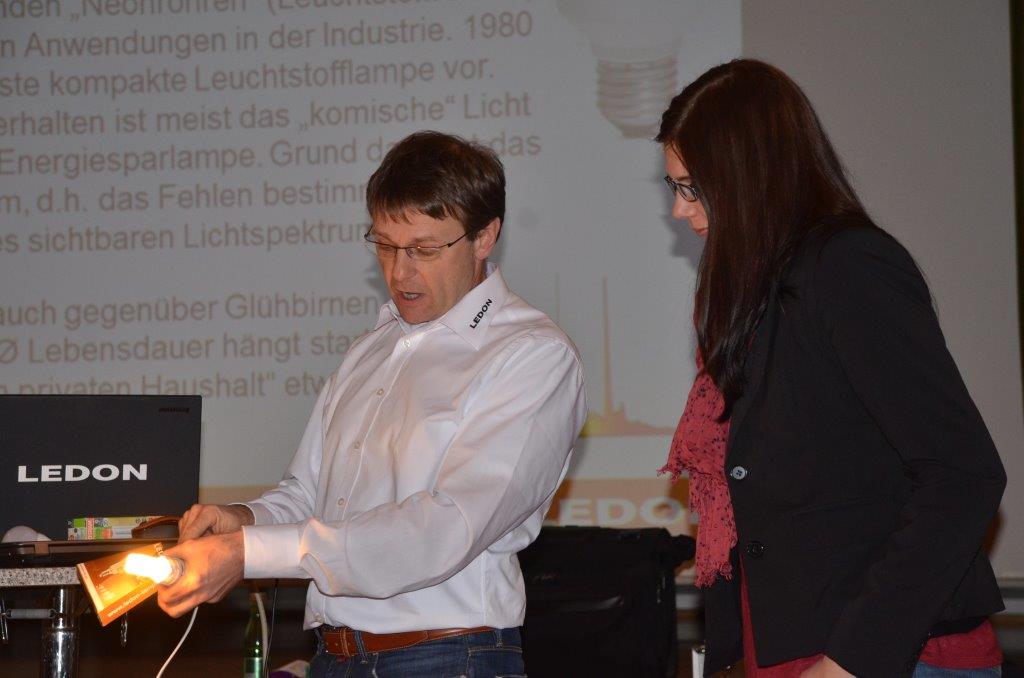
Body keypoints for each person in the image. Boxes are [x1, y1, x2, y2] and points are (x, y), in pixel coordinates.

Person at [156, 131, 587, 677]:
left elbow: (444, 530)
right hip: (333, 657)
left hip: (447, 657)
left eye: (423, 250)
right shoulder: (371, 349)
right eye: (384, 245)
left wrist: (249, 553)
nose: (400, 272)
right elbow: (308, 495)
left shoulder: (530, 354)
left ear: (485, 237)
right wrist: (243, 521)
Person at [657, 60, 1007, 678]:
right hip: (787, 651)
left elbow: (961, 474)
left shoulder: (848, 265)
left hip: (889, 656)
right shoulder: (749, 293)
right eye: (675, 187)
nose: (680, 211)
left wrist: (852, 659)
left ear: (747, 175)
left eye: (691, 187)